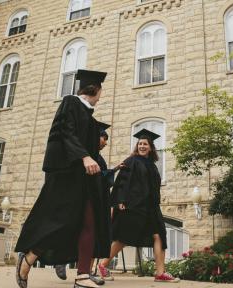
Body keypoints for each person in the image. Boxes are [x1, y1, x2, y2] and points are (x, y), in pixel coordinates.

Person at [14, 69, 110, 288]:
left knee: (89, 223)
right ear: (95, 89)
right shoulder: (70, 102)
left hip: (84, 179)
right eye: (101, 92)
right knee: (60, 223)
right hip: (67, 176)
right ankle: (29, 256)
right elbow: (65, 132)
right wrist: (85, 156)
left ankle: (83, 276)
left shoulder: (89, 116)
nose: (101, 96)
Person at [97, 129, 180, 283]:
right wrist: (120, 200)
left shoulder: (152, 165)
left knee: (159, 235)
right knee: (123, 237)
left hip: (151, 207)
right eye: (140, 143)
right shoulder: (131, 161)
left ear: (151, 147)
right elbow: (122, 181)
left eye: (145, 144)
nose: (142, 146)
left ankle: (160, 273)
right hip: (133, 205)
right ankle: (103, 264)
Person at [54, 122, 123, 286]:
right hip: (83, 200)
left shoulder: (99, 158)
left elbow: (102, 178)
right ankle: (59, 259)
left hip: (97, 202)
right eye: (103, 138)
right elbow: (96, 176)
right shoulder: (86, 156)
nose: (105, 142)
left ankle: (87, 271)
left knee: (92, 236)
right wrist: (113, 171)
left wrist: (113, 170)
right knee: (75, 231)